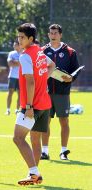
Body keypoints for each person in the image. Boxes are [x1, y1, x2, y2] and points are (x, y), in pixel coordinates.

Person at [13, 23, 55, 185]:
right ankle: (34, 175)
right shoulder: (39, 51)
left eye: (22, 37)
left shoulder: (25, 56)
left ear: (31, 38)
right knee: (35, 140)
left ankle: (34, 173)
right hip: (45, 103)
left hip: (33, 105)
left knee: (18, 138)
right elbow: (52, 65)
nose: (19, 39)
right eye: (18, 37)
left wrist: (29, 107)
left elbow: (30, 82)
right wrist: (43, 81)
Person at [40, 24, 80, 160]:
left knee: (64, 120)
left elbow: (76, 69)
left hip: (63, 93)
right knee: (46, 121)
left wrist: (71, 78)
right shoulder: (42, 51)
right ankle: (44, 151)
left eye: (55, 33)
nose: (53, 35)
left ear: (60, 35)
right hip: (45, 92)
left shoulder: (70, 51)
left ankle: (63, 151)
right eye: (51, 33)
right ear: (48, 34)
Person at [5, 41, 22, 115]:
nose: (14, 46)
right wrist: (18, 62)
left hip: (21, 77)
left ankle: (17, 110)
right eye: (14, 45)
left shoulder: (23, 53)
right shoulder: (11, 53)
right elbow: (10, 64)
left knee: (20, 94)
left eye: (16, 45)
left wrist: (15, 62)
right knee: (10, 93)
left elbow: (23, 63)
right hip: (12, 76)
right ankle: (8, 109)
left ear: (19, 45)